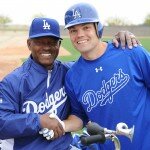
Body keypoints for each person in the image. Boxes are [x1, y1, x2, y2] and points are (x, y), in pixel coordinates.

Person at [0, 17, 139, 150]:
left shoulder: (69, 72)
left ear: (59, 44)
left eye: (52, 42)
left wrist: (118, 42)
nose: (46, 47)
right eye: (40, 42)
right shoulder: (13, 82)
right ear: (29, 44)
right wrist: (39, 121)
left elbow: (95, 62)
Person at [63, 2, 150, 150]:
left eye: (86, 27)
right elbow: (79, 116)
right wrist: (59, 126)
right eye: (73, 30)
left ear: (98, 28)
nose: (80, 35)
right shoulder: (72, 77)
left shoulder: (131, 52)